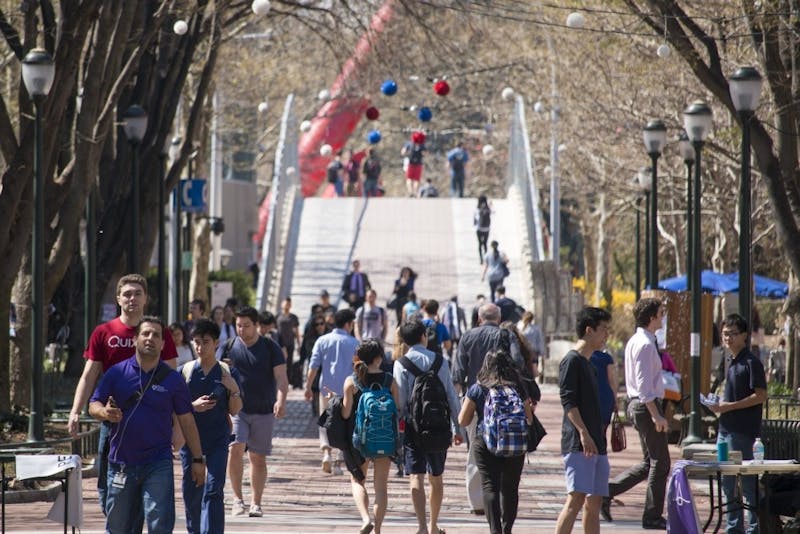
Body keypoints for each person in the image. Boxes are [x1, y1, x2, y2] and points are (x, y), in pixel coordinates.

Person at [67, 273, 178, 515]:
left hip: (152, 423)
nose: (132, 298)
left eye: (138, 293)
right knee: (109, 485)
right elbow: (88, 376)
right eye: (127, 294)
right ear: (118, 299)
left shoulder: (160, 333)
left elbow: (172, 379)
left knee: (150, 486)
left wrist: (175, 422)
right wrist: (75, 411)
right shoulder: (104, 332)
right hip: (114, 421)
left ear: (146, 298)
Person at [88, 316, 204, 533]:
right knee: (118, 528)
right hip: (121, 462)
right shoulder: (116, 372)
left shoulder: (173, 380)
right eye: (145, 333)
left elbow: (187, 419)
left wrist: (197, 459)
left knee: (159, 524)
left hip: (158, 462)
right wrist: (104, 412)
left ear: (162, 344)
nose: (150, 338)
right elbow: (93, 404)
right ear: (135, 339)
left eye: (156, 335)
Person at [603, 298, 670, 530]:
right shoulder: (643, 344)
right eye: (661, 313)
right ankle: (652, 516)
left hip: (641, 405)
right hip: (645, 406)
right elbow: (643, 388)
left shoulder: (641, 341)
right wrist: (656, 415)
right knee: (660, 463)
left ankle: (608, 491)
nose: (663, 317)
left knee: (649, 463)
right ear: (651, 317)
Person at [454, 303, 525, 514]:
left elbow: (458, 371)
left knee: (476, 451)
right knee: (504, 445)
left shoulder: (467, 337)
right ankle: (500, 498)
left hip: (475, 398)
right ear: (499, 317)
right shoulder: (505, 335)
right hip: (504, 398)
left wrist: (461, 396)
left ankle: (478, 502)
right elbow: (518, 362)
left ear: (479, 318)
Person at [393, 320, 464, 534]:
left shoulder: (401, 363)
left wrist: (398, 430)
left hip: (413, 429)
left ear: (404, 340)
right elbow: (451, 396)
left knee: (416, 476)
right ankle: (434, 525)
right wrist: (457, 428)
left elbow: (400, 402)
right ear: (425, 336)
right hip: (438, 427)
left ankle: (421, 526)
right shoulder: (440, 361)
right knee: (436, 477)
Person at [222, 306, 288, 518]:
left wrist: (281, 400)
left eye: (246, 326)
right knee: (235, 449)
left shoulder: (270, 347)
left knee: (257, 458)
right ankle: (237, 499)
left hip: (264, 410)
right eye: (238, 325)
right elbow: (220, 376)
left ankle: (255, 503)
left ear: (256, 325)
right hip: (237, 410)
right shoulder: (229, 347)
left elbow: (281, 377)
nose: (241, 329)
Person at [458, 350, 533, 534]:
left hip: (485, 442)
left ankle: (495, 530)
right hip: (515, 444)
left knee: (489, 485)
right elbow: (529, 419)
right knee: (511, 488)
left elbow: (463, 420)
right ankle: (507, 529)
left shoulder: (478, 388)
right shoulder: (518, 387)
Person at [179, 318, 243, 534]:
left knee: (214, 490)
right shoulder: (184, 372)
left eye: (205, 341)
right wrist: (193, 406)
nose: (199, 347)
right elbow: (173, 408)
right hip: (190, 440)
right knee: (192, 491)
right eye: (196, 342)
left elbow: (235, 410)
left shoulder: (227, 372)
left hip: (218, 439)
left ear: (216, 343)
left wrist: (233, 389)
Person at [555, 307, 612, 534]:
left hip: (597, 441)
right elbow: (568, 401)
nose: (607, 335)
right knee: (576, 499)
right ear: (589, 330)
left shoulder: (589, 363)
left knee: (594, 502)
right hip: (579, 442)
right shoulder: (572, 361)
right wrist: (583, 432)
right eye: (603, 330)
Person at [709, 313, 767, 534]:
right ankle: (733, 528)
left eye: (733, 334)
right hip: (724, 431)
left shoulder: (751, 362)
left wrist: (729, 406)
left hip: (743, 433)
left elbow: (761, 396)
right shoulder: (730, 361)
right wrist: (717, 404)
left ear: (744, 335)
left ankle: (754, 528)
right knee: (728, 483)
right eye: (725, 334)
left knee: (748, 485)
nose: (728, 338)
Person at [341, 339, 401, 534]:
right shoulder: (389, 380)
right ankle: (379, 530)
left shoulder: (352, 381)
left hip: (360, 440)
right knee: (381, 487)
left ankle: (366, 518)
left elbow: (346, 413)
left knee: (358, 480)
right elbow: (397, 410)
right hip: (385, 437)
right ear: (378, 358)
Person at [305, 308, 361, 475]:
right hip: (348, 390)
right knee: (345, 421)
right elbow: (359, 368)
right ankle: (338, 459)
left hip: (327, 389)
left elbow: (313, 366)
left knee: (325, 418)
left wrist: (308, 387)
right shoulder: (354, 343)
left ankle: (326, 452)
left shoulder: (322, 340)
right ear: (348, 324)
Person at [590, 349, 616, 438]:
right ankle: (601, 449)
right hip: (605, 396)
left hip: (590, 396)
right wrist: (615, 399)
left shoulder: (583, 357)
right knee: (603, 431)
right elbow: (611, 380)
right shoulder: (606, 358)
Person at [276, 296, 301, 376]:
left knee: (289, 363)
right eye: (286, 303)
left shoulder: (294, 317)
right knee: (279, 362)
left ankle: (288, 380)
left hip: (290, 343)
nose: (287, 305)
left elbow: (297, 331)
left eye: (289, 304)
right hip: (279, 343)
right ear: (281, 304)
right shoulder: (277, 316)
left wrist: (299, 344)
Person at [474, 196, 491, 263]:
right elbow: (494, 212)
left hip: (479, 229)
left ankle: (481, 258)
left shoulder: (477, 209)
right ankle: (486, 258)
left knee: (480, 244)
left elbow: (475, 220)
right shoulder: (488, 209)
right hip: (487, 229)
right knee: (485, 244)